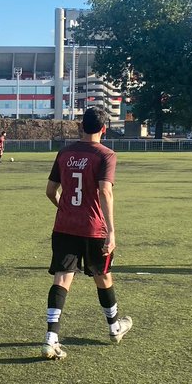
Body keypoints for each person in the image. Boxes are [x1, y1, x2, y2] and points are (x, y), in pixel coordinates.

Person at [41, 107, 132, 361]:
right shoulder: (106, 154)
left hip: (64, 226)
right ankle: (114, 328)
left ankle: (51, 339)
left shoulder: (64, 152)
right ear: (104, 129)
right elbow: (105, 191)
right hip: (94, 228)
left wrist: (65, 208)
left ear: (81, 126)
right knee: (103, 276)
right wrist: (111, 231)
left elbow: (50, 191)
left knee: (61, 279)